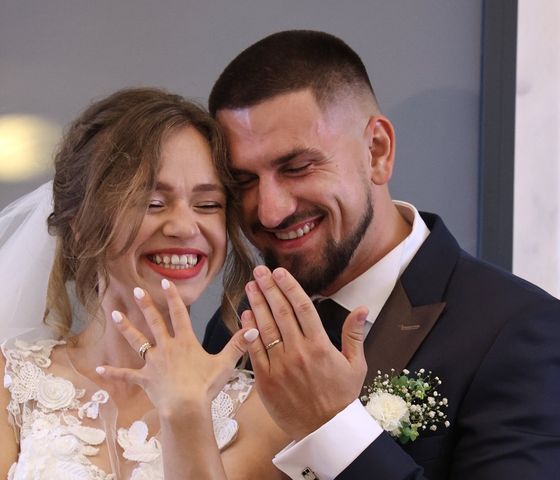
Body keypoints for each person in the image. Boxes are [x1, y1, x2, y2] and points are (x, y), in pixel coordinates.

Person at [202, 30, 560, 479]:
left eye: (297, 167)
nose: (271, 210)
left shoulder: (521, 331)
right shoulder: (238, 323)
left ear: (377, 152)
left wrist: (332, 426)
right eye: (244, 182)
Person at [0, 88, 293, 479]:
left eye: (208, 205)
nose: (185, 227)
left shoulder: (261, 409)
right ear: (81, 227)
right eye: (152, 203)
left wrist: (187, 415)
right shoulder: (0, 381)